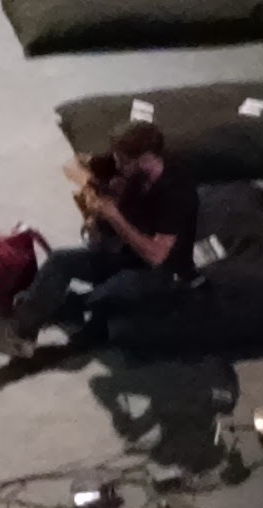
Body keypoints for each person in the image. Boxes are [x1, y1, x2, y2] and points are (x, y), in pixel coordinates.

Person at [16, 120, 197, 353]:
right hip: (124, 254)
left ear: (144, 160)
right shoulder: (131, 171)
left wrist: (114, 216)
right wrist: (95, 194)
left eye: (122, 160)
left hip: (160, 274)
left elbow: (157, 257)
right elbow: (75, 165)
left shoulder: (175, 193)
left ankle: (81, 313)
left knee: (105, 296)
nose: (116, 164)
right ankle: (23, 332)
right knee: (60, 261)